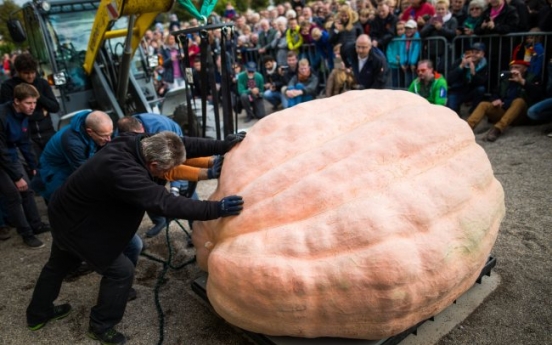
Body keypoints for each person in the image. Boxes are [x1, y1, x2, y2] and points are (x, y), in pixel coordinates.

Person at [26, 131, 245, 345]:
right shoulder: (123, 172)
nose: (169, 174)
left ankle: (38, 314)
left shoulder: (138, 142)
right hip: (78, 227)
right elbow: (165, 203)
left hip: (68, 212)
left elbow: (182, 143)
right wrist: (216, 209)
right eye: (167, 170)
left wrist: (221, 145)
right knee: (120, 272)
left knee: (66, 263)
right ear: (153, 166)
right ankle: (101, 326)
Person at [0, 84, 51, 248]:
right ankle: (26, 233)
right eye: (29, 103)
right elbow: (1, 151)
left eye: (34, 103)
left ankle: (36, 225)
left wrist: (33, 165)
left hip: (9, 153)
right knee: (13, 194)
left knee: (27, 188)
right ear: (16, 101)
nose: (33, 106)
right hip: (1, 155)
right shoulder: (2, 115)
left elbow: (25, 142)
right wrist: (16, 177)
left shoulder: (23, 114)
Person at [32, 110, 113, 202]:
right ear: (90, 131)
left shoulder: (94, 128)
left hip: (68, 168)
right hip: (53, 177)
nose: (109, 139)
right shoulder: (73, 143)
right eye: (104, 136)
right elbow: (84, 173)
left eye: (110, 134)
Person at [0, 52, 60, 159]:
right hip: (26, 138)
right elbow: (10, 113)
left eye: (33, 72)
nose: (30, 76)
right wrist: (40, 113)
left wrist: (37, 95)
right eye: (26, 73)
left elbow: (54, 107)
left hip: (48, 132)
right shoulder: (8, 87)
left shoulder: (42, 83)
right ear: (18, 72)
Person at [466, 59, 542, 142]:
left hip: (521, 114)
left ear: (525, 69)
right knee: (484, 104)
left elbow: (538, 95)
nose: (513, 70)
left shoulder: (533, 78)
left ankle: (497, 129)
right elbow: (495, 93)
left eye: (517, 67)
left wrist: (522, 81)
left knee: (519, 101)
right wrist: (495, 99)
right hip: (504, 111)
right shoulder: (506, 79)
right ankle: (467, 128)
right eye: (512, 67)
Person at [447, 42, 489, 116]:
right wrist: (461, 66)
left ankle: (474, 111)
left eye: (477, 53)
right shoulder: (460, 61)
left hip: (470, 91)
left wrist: (473, 73)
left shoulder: (484, 65)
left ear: (482, 54)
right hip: (457, 90)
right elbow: (449, 79)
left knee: (481, 89)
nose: (474, 55)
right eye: (472, 52)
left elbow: (482, 81)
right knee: (451, 112)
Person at [399, 19, 422, 88]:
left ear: (415, 29)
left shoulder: (417, 38)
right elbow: (402, 51)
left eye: (410, 28)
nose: (408, 30)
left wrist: (413, 63)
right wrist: (402, 62)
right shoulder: (403, 38)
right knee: (408, 83)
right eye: (406, 28)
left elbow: (416, 51)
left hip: (414, 64)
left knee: (415, 82)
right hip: (406, 64)